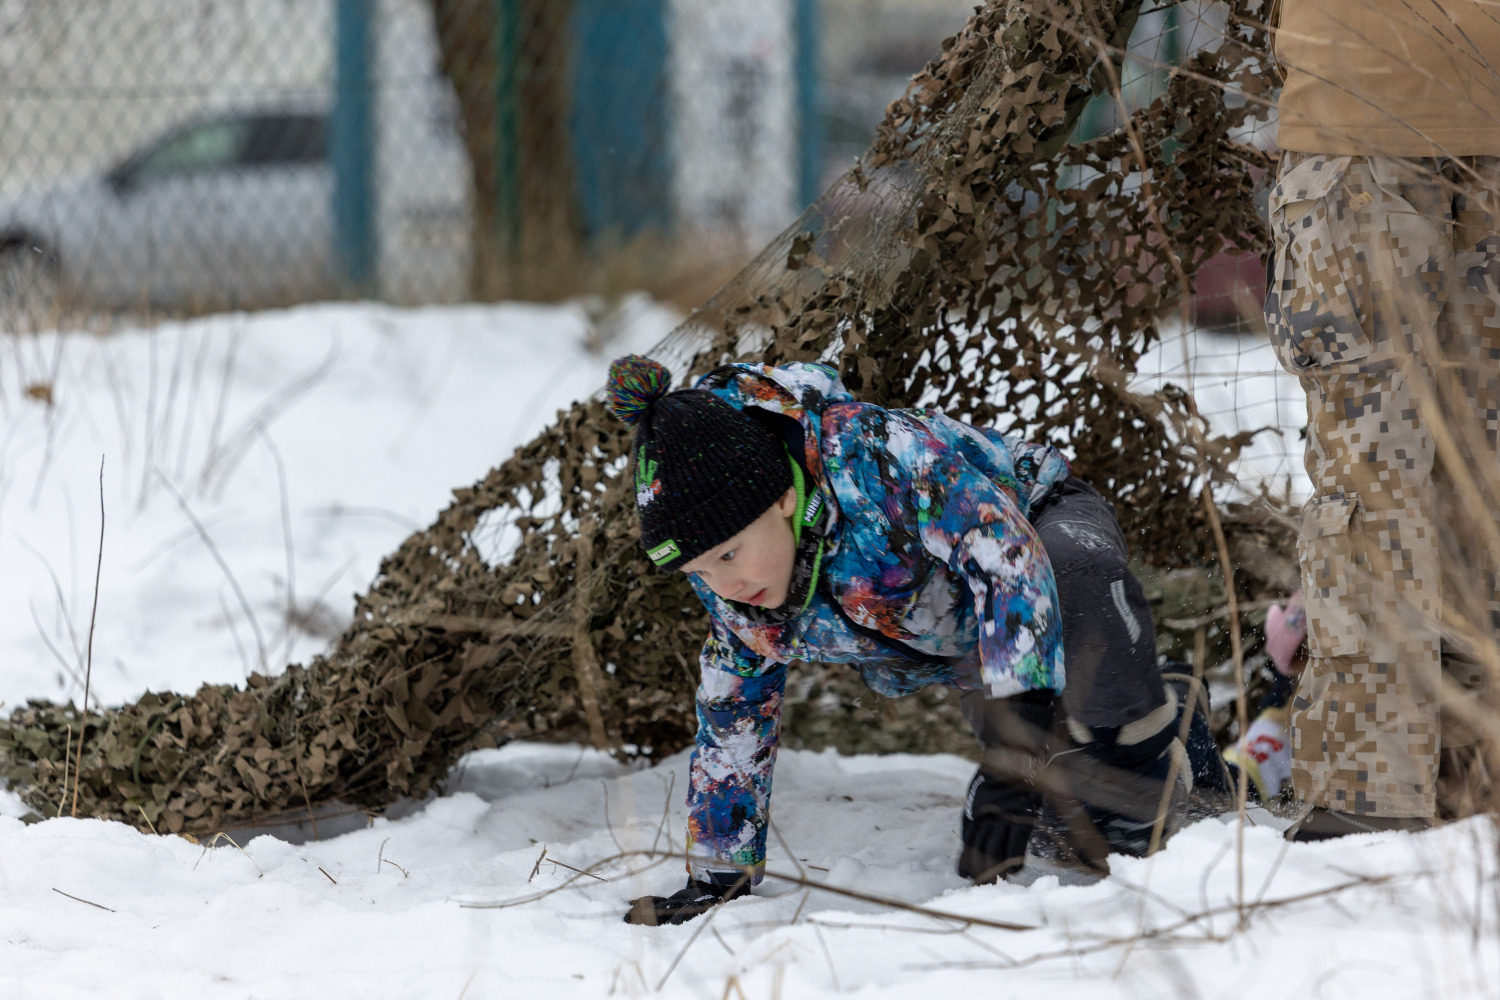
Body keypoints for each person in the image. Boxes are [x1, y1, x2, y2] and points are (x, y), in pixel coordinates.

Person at [603, 356, 1218, 926]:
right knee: (1062, 802)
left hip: (1037, 524)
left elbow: (1007, 558)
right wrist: (718, 876)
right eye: (700, 571)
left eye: (730, 554)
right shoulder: (741, 594)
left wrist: (1014, 742)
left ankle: (1144, 751)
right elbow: (733, 713)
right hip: (968, 637)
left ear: (783, 497)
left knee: (1080, 613)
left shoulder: (872, 457)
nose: (723, 584)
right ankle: (1173, 710)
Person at [1266, 2, 1500, 839]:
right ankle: (1468, 781)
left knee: (1374, 476)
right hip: (1394, 102)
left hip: (1362, 101)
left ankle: (1369, 797)